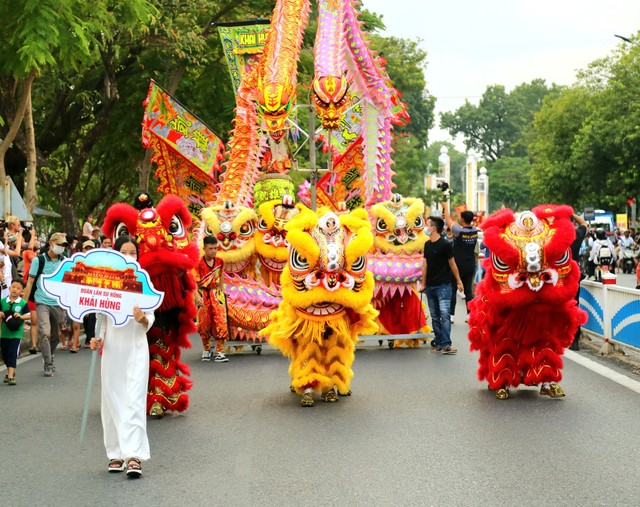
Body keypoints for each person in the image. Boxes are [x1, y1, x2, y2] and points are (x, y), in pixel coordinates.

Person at [90, 235, 153, 478]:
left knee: (134, 401)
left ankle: (134, 456)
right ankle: (115, 454)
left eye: (133, 252)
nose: (129, 256)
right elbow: (102, 322)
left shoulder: (142, 282)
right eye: (124, 252)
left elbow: (150, 315)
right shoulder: (105, 285)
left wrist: (143, 320)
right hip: (113, 353)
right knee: (112, 401)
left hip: (136, 350)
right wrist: (98, 341)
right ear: (116, 254)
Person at [23, 232, 68, 377]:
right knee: (45, 332)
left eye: (64, 245)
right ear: (51, 243)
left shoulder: (64, 261)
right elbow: (30, 282)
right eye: (59, 244)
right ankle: (48, 364)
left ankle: (49, 355)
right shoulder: (39, 260)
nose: (61, 247)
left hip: (57, 302)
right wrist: (23, 304)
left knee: (56, 335)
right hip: (41, 301)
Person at [420, 216, 464, 354]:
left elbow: (452, 263)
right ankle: (438, 343)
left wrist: (459, 281)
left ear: (433, 228)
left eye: (427, 225)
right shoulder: (427, 245)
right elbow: (425, 264)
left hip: (444, 285)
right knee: (434, 316)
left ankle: (446, 344)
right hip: (431, 287)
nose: (426, 228)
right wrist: (423, 283)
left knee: (444, 315)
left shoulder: (445, 244)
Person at [442, 201, 479, 323]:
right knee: (468, 290)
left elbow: (448, 221)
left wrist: (446, 207)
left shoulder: (459, 231)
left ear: (462, 220)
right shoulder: (474, 231)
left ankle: (451, 315)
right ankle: (470, 315)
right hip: (470, 265)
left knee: (452, 289)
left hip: (457, 266)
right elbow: (458, 225)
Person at [195, 236, 230, 363]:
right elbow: (194, 282)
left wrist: (222, 291)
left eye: (216, 248)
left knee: (221, 321)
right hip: (203, 294)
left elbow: (221, 277)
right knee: (204, 324)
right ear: (204, 248)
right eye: (211, 248)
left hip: (217, 294)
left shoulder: (220, 262)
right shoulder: (198, 264)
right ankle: (206, 349)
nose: (214, 251)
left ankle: (220, 352)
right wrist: (197, 296)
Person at [1, 279, 31, 386]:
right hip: (4, 333)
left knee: (12, 353)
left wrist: (21, 316)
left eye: (18, 288)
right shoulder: (3, 301)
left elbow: (29, 315)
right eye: (13, 287)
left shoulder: (22, 303)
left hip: (16, 333)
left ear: (22, 291)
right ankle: (11, 371)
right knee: (5, 354)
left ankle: (10, 376)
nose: (15, 290)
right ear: (9, 288)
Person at [569, 213, 588, 350]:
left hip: (555, 278)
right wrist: (571, 213)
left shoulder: (553, 237)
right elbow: (584, 224)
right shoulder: (575, 235)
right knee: (574, 307)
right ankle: (574, 340)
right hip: (572, 277)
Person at [80, 240, 97, 348]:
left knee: (92, 316)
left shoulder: (97, 262)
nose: (88, 250)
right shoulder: (79, 262)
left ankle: (90, 338)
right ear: (83, 249)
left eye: (91, 248)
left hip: (94, 292)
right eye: (87, 248)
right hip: (82, 292)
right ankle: (88, 335)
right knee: (85, 317)